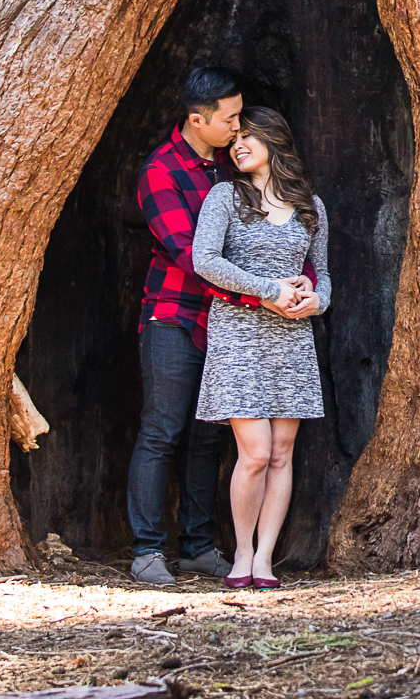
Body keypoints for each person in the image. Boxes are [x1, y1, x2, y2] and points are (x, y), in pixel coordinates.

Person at [128, 69, 317, 586]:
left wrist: (294, 292)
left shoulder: (231, 170)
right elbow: (194, 258)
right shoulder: (162, 173)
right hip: (175, 314)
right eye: (230, 120)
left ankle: (196, 546)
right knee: (162, 428)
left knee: (209, 438)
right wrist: (268, 293)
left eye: (243, 121)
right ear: (197, 120)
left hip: (236, 321)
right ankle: (147, 550)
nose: (237, 130)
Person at [192, 106, 330, 589]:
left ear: (275, 140)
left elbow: (322, 275)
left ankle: (266, 558)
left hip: (291, 339)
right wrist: (269, 290)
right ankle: (242, 553)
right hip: (238, 335)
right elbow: (204, 260)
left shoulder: (310, 205)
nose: (238, 145)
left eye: (249, 136)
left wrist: (317, 302)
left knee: (281, 453)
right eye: (234, 139)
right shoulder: (224, 197)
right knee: (253, 452)